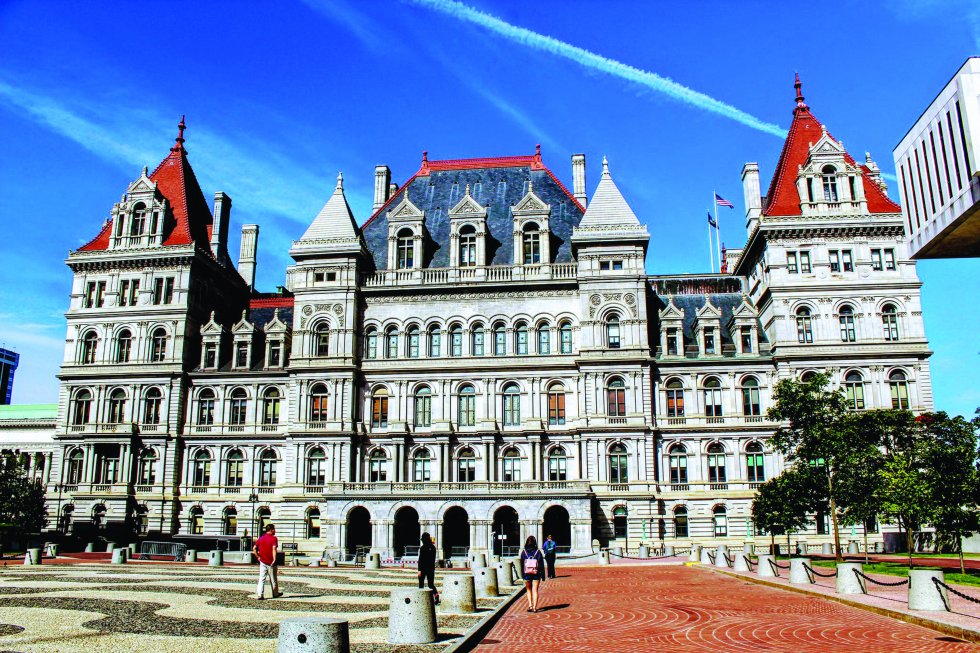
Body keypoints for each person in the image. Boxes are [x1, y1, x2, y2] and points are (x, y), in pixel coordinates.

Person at [253, 523, 283, 600]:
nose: (275, 531)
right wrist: (274, 559)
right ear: (271, 530)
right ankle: (275, 593)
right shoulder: (274, 538)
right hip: (270, 561)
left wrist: (258, 557)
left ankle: (260, 594)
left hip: (262, 561)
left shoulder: (261, 538)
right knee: (273, 579)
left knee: (261, 578)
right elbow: (274, 549)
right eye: (274, 529)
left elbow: (254, 548)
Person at [520, 535, 545, 612]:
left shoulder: (524, 552)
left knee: (528, 589)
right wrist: (543, 575)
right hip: (536, 572)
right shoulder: (538, 552)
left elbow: (521, 564)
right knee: (535, 590)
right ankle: (534, 607)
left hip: (526, 573)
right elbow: (541, 564)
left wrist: (522, 574)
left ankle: (530, 605)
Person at [417, 532, 440, 605]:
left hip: (423, 568)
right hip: (431, 568)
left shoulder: (423, 548)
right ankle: (436, 595)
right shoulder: (433, 548)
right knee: (431, 584)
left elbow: (421, 560)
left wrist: (419, 570)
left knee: (421, 583)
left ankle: (421, 597)